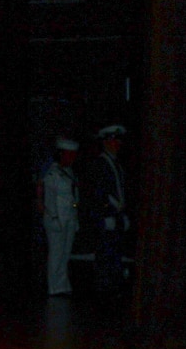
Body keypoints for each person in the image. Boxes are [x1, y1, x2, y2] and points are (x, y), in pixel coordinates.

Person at [85, 124, 130, 294]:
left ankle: (113, 287)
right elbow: (98, 194)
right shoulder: (100, 165)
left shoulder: (116, 165)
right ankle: (103, 290)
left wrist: (122, 214)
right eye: (113, 140)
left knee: (115, 254)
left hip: (116, 217)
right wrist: (104, 216)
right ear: (105, 142)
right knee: (105, 255)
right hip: (106, 218)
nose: (117, 144)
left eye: (118, 140)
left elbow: (119, 192)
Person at [41, 137, 81, 296]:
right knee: (56, 253)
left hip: (69, 218)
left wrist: (75, 219)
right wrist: (54, 218)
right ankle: (54, 287)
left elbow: (74, 197)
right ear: (61, 154)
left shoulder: (69, 173)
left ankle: (63, 285)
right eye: (69, 154)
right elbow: (49, 198)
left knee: (65, 253)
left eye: (73, 155)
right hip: (57, 219)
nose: (72, 158)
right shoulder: (53, 174)